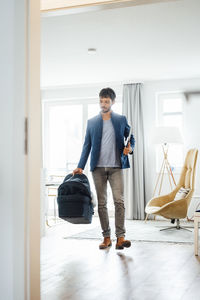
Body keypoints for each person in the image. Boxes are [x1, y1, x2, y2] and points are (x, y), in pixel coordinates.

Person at [73, 87, 135, 250]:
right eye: (101, 101)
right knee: (102, 203)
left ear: (113, 102)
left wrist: (130, 148)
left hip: (116, 167)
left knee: (119, 202)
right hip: (98, 169)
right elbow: (87, 145)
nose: (103, 104)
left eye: (106, 101)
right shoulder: (92, 122)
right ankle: (106, 238)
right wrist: (80, 166)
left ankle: (120, 238)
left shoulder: (121, 120)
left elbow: (131, 138)